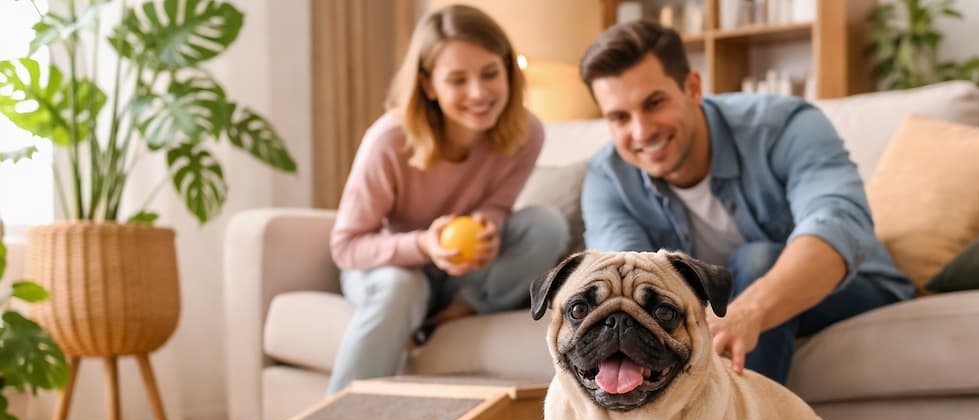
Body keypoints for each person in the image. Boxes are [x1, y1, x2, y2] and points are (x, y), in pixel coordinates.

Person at [578, 20, 914, 384]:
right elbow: (622, 281)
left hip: (855, 287)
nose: (641, 131)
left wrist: (748, 310)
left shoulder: (784, 125)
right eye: (619, 117)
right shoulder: (607, 176)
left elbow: (837, 223)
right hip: (722, 311)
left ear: (692, 88)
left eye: (654, 103)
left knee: (755, 260)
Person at [327, 4, 569, 393]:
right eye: (457, 80)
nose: (478, 93)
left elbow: (498, 204)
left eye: (490, 73)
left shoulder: (526, 133)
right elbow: (346, 246)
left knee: (546, 224)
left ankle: (452, 316)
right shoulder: (389, 141)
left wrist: (490, 224)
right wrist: (423, 244)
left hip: (461, 275)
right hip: (391, 265)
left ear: (508, 70)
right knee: (400, 288)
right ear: (428, 85)